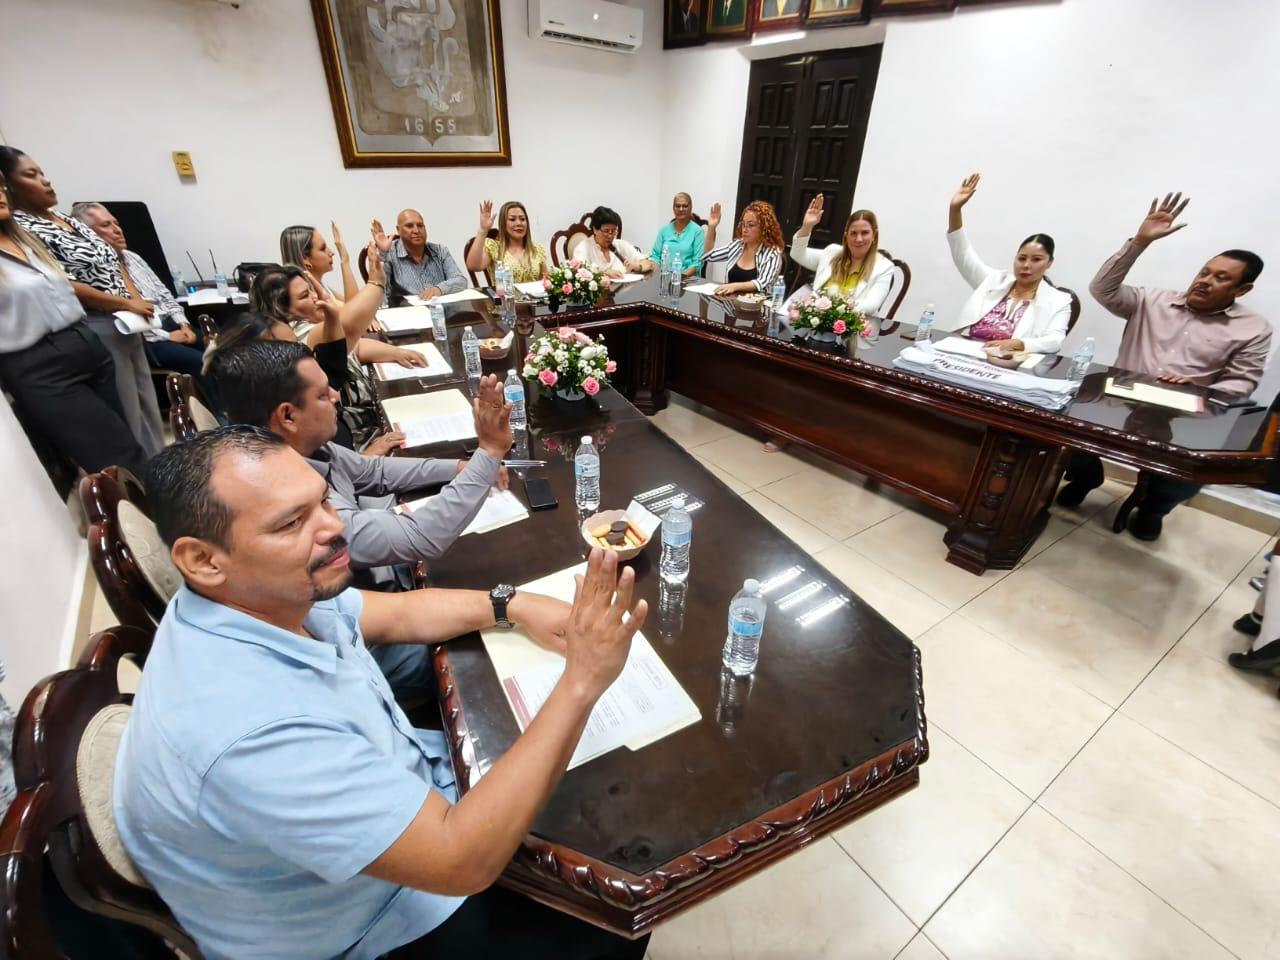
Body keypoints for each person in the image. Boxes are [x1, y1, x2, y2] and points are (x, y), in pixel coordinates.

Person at [115, 425, 649, 960]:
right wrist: (583, 680)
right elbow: (461, 861)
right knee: (620, 899)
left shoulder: (259, 594)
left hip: (411, 808)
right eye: (292, 522)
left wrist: (514, 605)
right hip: (377, 923)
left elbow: (396, 613)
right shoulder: (246, 728)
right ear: (203, 559)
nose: (332, 527)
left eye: (322, 501)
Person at [209, 340, 510, 692]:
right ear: (287, 415)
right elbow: (420, 538)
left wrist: (461, 466)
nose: (337, 396)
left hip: (368, 596)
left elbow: (375, 471)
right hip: (349, 652)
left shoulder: (299, 447)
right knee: (480, 650)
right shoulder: (290, 503)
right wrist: (488, 452)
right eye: (323, 395)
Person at [1058, 191, 1271, 541]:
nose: (1205, 280)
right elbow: (1102, 289)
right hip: (1122, 399)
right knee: (1057, 420)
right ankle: (1085, 478)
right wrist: (1139, 242)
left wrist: (1198, 386)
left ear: (1242, 289)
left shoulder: (1253, 328)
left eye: (1221, 278)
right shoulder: (1152, 300)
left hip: (1186, 414)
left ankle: (1153, 507)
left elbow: (1241, 386)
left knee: (1195, 469)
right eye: (1204, 272)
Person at [0, 147, 166, 455]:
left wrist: (134, 297)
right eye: (30, 175)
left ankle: (164, 466)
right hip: (98, 321)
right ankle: (142, 483)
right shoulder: (25, 227)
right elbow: (64, 281)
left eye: (42, 172)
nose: (45, 181)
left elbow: (112, 258)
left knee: (148, 404)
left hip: (125, 322)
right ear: (11, 185)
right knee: (125, 420)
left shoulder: (66, 219)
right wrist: (123, 304)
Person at [250, 263, 423, 455]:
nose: (315, 297)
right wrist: (376, 282)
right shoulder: (299, 335)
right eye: (305, 295)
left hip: (370, 424)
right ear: (283, 310)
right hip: (359, 442)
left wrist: (397, 352)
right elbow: (349, 329)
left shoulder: (313, 327)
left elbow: (354, 347)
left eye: (311, 290)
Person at [72, 202, 212, 395]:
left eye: (116, 224)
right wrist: (167, 336)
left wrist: (184, 325)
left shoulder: (132, 257)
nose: (117, 230)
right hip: (147, 338)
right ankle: (221, 418)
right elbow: (120, 319)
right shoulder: (93, 272)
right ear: (86, 233)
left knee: (221, 349)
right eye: (105, 226)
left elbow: (164, 295)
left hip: (170, 323)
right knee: (199, 361)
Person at [945, 173, 1072, 355]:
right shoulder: (994, 280)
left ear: (1049, 263)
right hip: (965, 352)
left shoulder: (1058, 300)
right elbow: (962, 253)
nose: (1026, 265)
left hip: (1008, 363)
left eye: (1036, 260)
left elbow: (1054, 341)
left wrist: (1018, 343)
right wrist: (955, 210)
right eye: (1021, 258)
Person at [790, 194, 895, 316]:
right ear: (846, 235)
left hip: (854, 331)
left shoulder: (884, 266)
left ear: (874, 235)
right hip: (816, 327)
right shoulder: (832, 252)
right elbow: (797, 254)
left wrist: (826, 308)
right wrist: (807, 226)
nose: (859, 239)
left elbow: (871, 305)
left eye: (865, 233)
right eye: (853, 233)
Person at [371, 209, 468, 299]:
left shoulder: (439, 251)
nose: (416, 231)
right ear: (398, 230)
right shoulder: (389, 253)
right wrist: (383, 254)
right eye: (409, 226)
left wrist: (439, 289)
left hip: (440, 311)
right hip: (406, 313)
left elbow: (460, 280)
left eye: (420, 225)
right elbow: (380, 294)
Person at [701, 199, 785, 296]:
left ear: (764, 228)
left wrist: (734, 286)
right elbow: (708, 256)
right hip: (730, 305)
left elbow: (762, 282)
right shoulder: (737, 245)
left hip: (758, 307)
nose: (745, 229)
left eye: (751, 225)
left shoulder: (772, 253)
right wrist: (711, 227)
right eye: (743, 225)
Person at [465, 200, 550, 284]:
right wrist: (483, 230)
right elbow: (473, 266)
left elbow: (545, 281)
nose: (519, 223)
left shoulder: (536, 249)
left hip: (534, 297)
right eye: (512, 219)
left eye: (522, 219)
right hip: (506, 296)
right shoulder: (494, 247)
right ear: (503, 224)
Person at [279, 221, 361, 302]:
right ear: (305, 258)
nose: (331, 252)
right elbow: (356, 309)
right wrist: (344, 259)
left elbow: (357, 305)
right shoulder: (312, 296)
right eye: (322, 248)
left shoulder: (323, 287)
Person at [574, 206, 651, 279]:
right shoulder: (584, 248)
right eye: (606, 231)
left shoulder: (620, 245)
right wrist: (604, 273)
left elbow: (648, 264)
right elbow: (580, 272)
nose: (610, 236)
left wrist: (639, 267)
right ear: (595, 229)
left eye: (613, 231)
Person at [645, 192, 704, 277]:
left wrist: (678, 278)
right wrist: (654, 274)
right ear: (673, 208)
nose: (681, 209)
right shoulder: (664, 231)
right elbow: (655, 256)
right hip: (664, 279)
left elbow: (697, 263)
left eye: (685, 206)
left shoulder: (697, 231)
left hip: (687, 280)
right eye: (677, 206)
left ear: (690, 208)